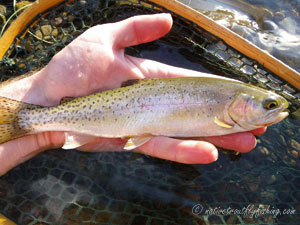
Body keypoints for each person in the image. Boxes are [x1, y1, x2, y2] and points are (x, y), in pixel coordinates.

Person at [0, 14, 266, 176]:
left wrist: (40, 95)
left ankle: (25, 119)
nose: (272, 110)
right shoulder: (225, 110)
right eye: (269, 105)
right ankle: (25, 120)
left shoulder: (226, 107)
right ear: (241, 103)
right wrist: (41, 95)